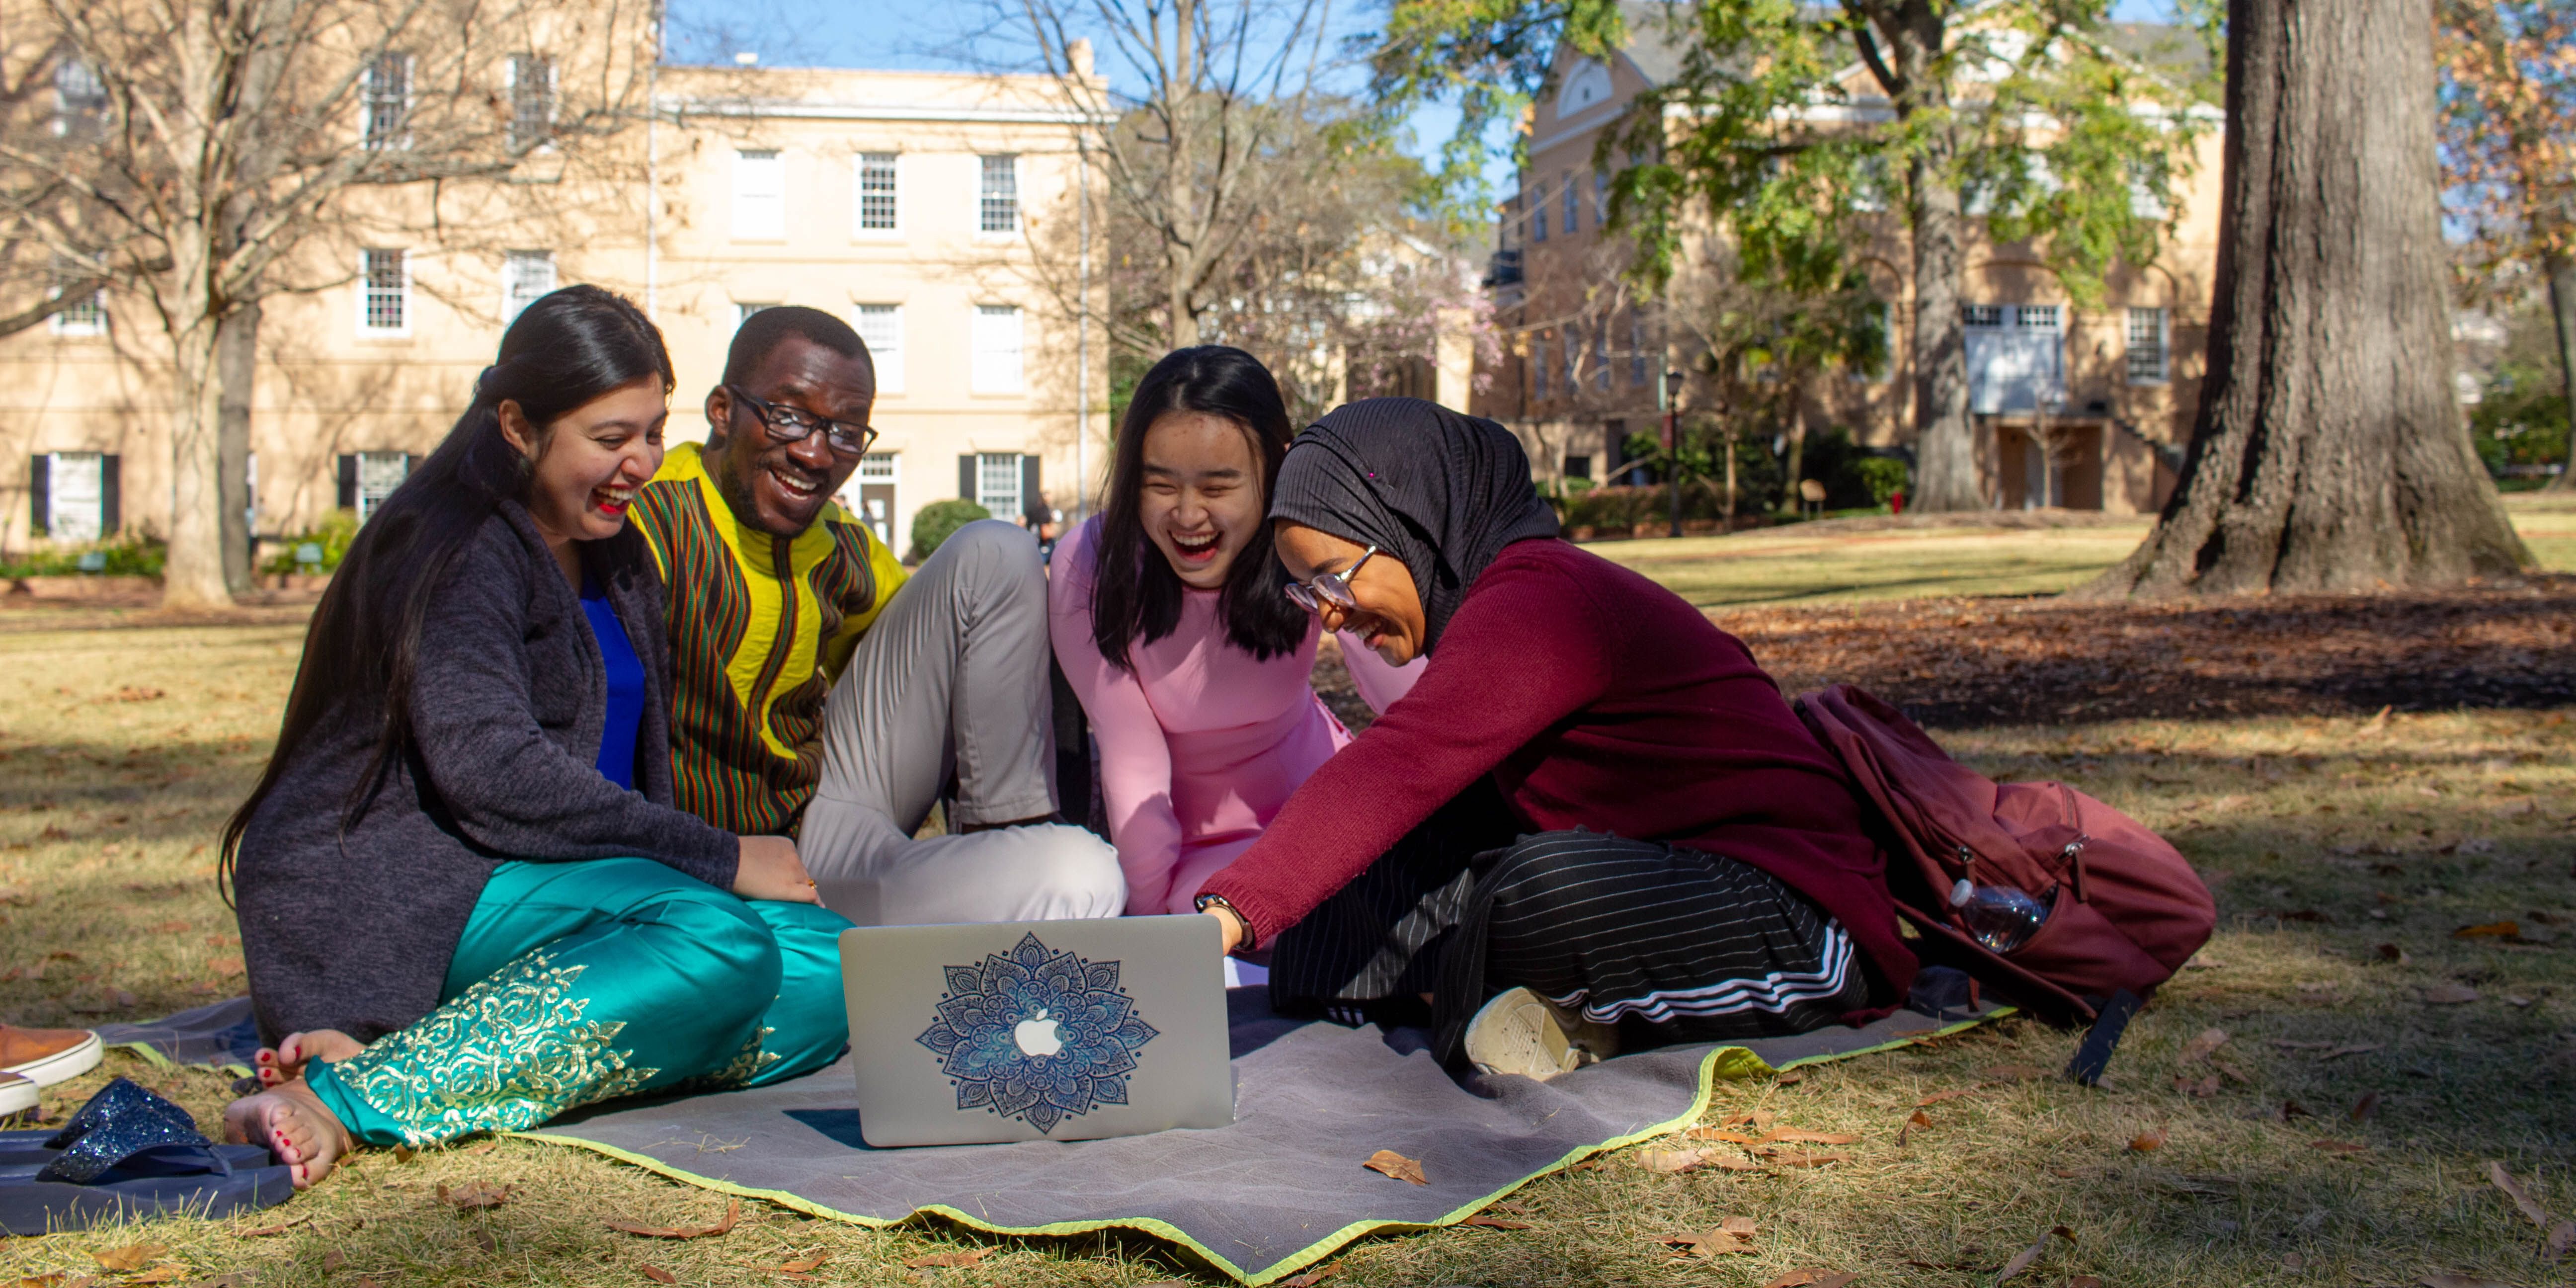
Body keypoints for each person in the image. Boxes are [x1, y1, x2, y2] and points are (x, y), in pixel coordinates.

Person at [219, 287, 850, 1187]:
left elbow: (628, 769)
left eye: (650, 431)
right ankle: (347, 1097)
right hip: (409, 887)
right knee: (718, 941)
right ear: (517, 425)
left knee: (831, 967)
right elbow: (492, 771)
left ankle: (475, 1052)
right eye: (609, 438)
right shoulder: (451, 546)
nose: (641, 462)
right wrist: (714, 857)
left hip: (547, 881)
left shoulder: (615, 551)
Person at [1187, 398, 1919, 1079]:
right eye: (1307, 593)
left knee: (1539, 890)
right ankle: (1494, 1000)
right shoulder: (1490, 605)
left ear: (1415, 524)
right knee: (1375, 878)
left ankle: (1540, 1010)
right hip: (1649, 867)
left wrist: (1230, 914)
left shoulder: (1542, 602)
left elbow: (1400, 764)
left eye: (1334, 580)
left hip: (1797, 918)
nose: (1331, 618)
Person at [629, 307, 1120, 926]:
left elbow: (941, 652)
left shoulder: (843, 546)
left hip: (818, 844)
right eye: (789, 416)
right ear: (722, 410)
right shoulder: (646, 524)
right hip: (681, 860)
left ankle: (1005, 833)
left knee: (998, 549)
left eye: (844, 432)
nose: (815, 454)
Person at [1048, 347, 1419, 917]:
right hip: (1199, 856)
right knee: (1260, 923)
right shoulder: (1092, 563)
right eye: (1162, 486)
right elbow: (1133, 762)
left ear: (1276, 473)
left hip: (1323, 809)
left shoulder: (1304, 538)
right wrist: (1148, 928)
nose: (1189, 515)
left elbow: (1408, 694)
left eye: (1218, 488)